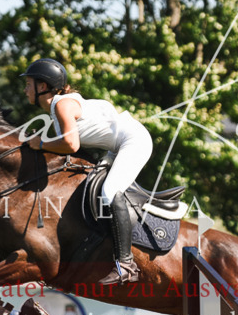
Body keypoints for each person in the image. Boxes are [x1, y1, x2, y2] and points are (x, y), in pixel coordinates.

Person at [22, 58, 153, 285]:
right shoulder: (63, 104)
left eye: (28, 83)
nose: (25, 89)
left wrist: (41, 143)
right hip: (117, 146)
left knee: (110, 192)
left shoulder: (60, 105)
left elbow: (71, 145)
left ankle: (126, 264)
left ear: (42, 87)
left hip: (134, 141)